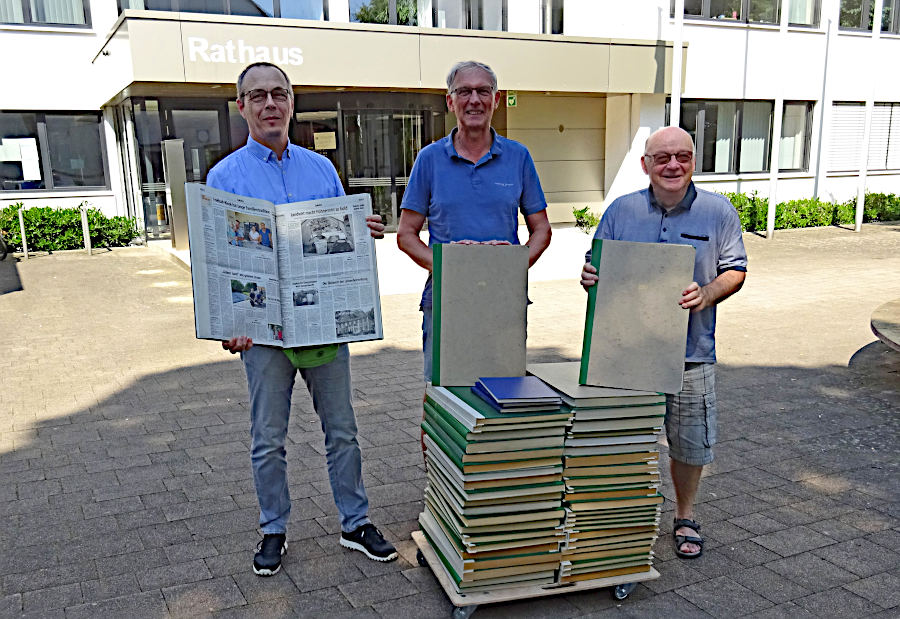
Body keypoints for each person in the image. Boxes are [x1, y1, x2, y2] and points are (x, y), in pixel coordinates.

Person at [206, 61, 397, 577]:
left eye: (280, 94)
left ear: (291, 102)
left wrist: (362, 232)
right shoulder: (224, 177)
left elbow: (336, 249)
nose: (270, 104)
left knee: (343, 430)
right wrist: (229, 322)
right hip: (263, 335)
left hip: (323, 327)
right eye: (258, 96)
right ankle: (273, 528)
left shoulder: (322, 170)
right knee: (268, 437)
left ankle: (355, 523)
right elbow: (220, 263)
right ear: (241, 106)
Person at [580, 126, 747, 560]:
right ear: (646, 165)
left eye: (683, 156)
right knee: (623, 438)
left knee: (690, 442)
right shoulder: (620, 211)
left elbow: (735, 269)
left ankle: (685, 515)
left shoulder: (719, 211)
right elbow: (594, 265)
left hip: (691, 352)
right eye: (663, 158)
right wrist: (589, 277)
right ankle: (622, 518)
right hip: (626, 351)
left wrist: (708, 293)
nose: (673, 165)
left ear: (693, 161)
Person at [396, 60, 552, 382]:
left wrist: (513, 264)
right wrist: (447, 265)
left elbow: (542, 229)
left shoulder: (518, 157)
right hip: (444, 297)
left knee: (504, 391)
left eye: (483, 91)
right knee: (442, 392)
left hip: (503, 296)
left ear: (496, 100)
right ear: (450, 101)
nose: (474, 100)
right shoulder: (429, 159)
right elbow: (406, 235)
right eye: (464, 91)